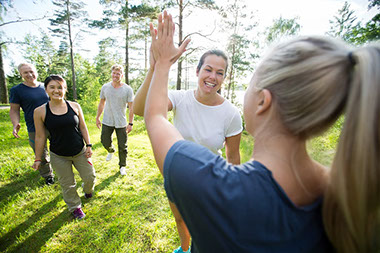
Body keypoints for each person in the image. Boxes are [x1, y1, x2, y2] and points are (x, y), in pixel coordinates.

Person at [144, 11, 380, 252]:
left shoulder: (209, 185)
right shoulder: (356, 205)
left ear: (262, 102)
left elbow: (154, 117)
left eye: (249, 85)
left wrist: (162, 63)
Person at [134, 27, 242, 253]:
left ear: (224, 78)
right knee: (181, 219)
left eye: (220, 73)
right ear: (197, 71)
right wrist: (154, 69)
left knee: (205, 229)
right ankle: (184, 249)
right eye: (208, 69)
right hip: (177, 175)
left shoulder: (231, 114)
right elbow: (141, 109)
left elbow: (233, 155)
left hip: (211, 181)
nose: (213, 77)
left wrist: (233, 193)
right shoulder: (179, 98)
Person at [32, 75, 96, 220]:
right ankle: (75, 207)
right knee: (68, 184)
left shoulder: (74, 106)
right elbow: (40, 137)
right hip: (59, 155)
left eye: (60, 87)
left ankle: (88, 191)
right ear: (46, 90)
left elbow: (83, 127)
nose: (56, 90)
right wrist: (38, 158)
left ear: (65, 89)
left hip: (79, 151)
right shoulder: (40, 111)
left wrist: (89, 145)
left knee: (90, 177)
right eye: (52, 87)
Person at [9, 63, 55, 185]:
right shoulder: (16, 90)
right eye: (25, 72)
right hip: (34, 127)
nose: (29, 74)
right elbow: (14, 110)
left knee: (58, 147)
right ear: (21, 75)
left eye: (31, 71)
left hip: (54, 124)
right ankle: (48, 175)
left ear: (36, 71)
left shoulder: (46, 86)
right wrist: (15, 124)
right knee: (40, 152)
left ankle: (61, 168)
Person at [96, 65, 134, 176]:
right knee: (104, 140)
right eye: (114, 73)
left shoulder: (127, 89)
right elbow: (101, 102)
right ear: (111, 74)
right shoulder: (105, 87)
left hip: (121, 122)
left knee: (123, 145)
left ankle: (122, 166)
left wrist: (130, 123)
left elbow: (132, 107)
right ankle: (111, 150)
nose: (115, 75)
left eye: (118, 74)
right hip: (107, 120)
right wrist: (98, 117)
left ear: (121, 75)